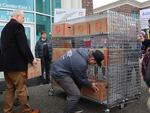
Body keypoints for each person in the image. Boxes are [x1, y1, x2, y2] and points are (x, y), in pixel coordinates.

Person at [0, 10, 40, 113]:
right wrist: (32, 59)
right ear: (17, 16)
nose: (24, 20)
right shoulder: (17, 26)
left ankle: (7, 110)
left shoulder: (4, 29)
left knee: (9, 89)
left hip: (6, 66)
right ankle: (27, 111)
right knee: (21, 89)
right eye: (23, 17)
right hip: (16, 66)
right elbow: (23, 45)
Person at [51, 48, 104, 113]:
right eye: (95, 63)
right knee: (74, 94)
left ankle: (72, 106)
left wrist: (86, 80)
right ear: (92, 59)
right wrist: (90, 84)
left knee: (78, 85)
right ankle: (68, 110)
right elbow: (81, 79)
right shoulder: (81, 62)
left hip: (61, 69)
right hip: (59, 73)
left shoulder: (84, 51)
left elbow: (80, 76)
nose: (94, 64)